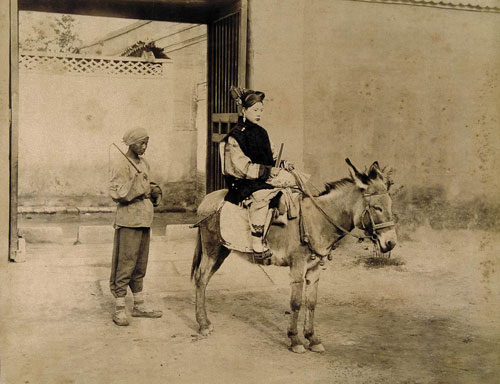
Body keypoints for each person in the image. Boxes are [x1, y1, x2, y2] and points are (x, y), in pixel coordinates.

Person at [223, 87, 297, 262]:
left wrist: (283, 164)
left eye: (261, 110)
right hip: (244, 182)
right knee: (262, 197)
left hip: (264, 176)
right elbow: (243, 168)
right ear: (244, 110)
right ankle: (257, 241)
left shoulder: (262, 132)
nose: (259, 114)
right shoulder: (235, 137)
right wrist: (270, 171)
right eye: (255, 110)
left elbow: (271, 156)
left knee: (293, 187)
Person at [108, 127, 163, 326]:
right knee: (126, 263)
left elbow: (148, 183)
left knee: (140, 264)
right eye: (141, 143)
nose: (145, 147)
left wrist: (155, 189)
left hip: (144, 219)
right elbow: (118, 193)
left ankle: (139, 305)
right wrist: (143, 188)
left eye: (147, 143)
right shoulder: (121, 164)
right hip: (129, 220)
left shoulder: (144, 163)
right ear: (131, 143)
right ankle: (120, 308)